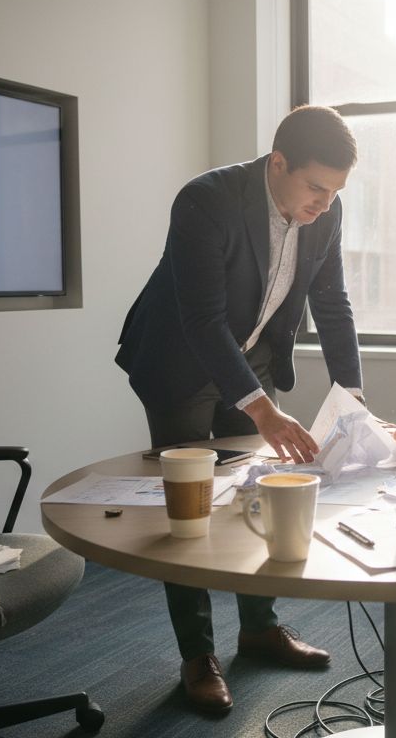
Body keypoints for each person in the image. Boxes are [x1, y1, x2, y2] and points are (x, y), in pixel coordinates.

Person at [115, 105, 363, 714]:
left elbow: (332, 304)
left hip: (251, 356)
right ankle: (197, 654)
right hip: (179, 360)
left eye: (335, 192)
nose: (325, 204)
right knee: (191, 509)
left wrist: (353, 399)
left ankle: (258, 628)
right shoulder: (205, 200)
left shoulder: (325, 214)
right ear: (278, 163)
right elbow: (201, 320)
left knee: (261, 489)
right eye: (315, 188)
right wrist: (262, 410)